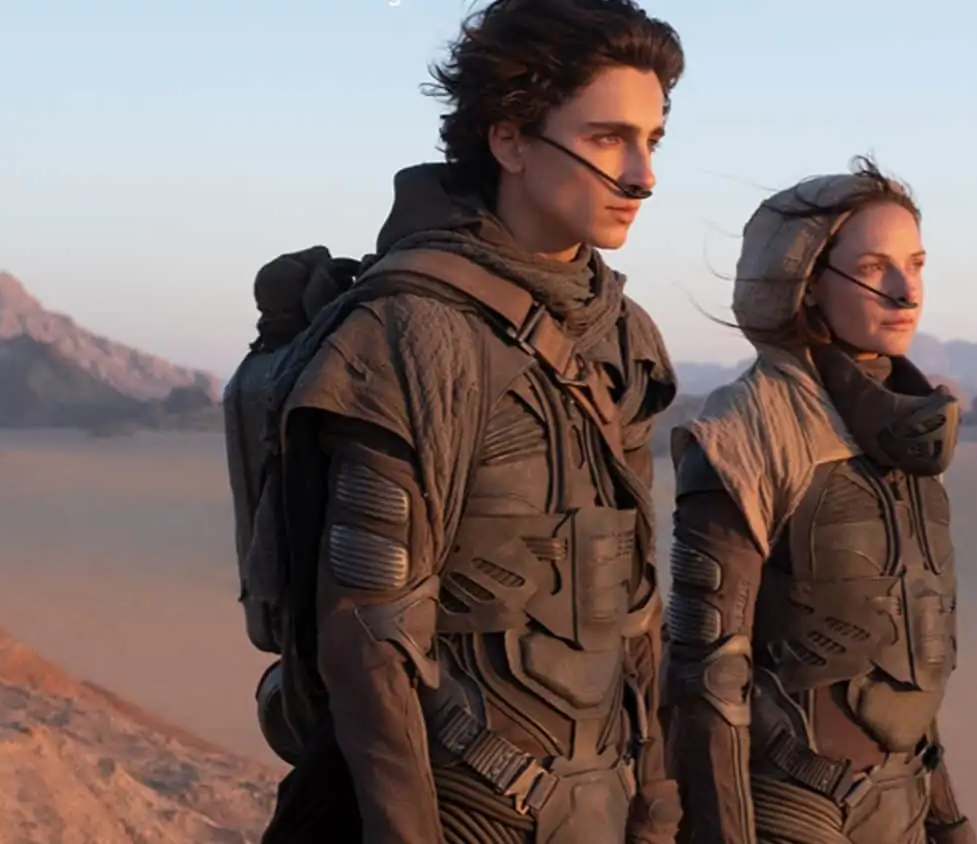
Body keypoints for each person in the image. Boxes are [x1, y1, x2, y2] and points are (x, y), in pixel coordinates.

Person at [257, 2, 685, 842]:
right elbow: (370, 648)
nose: (642, 176)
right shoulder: (412, 334)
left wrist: (659, 806)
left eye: (652, 141)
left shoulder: (622, 337)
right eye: (608, 139)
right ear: (510, 140)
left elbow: (635, 608)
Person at [663, 157, 977, 844]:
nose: (906, 292)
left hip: (903, 807)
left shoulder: (904, 436)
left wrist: (947, 819)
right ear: (806, 285)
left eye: (916, 265)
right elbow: (706, 679)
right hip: (795, 815)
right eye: (873, 268)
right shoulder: (748, 431)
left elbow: (902, 661)